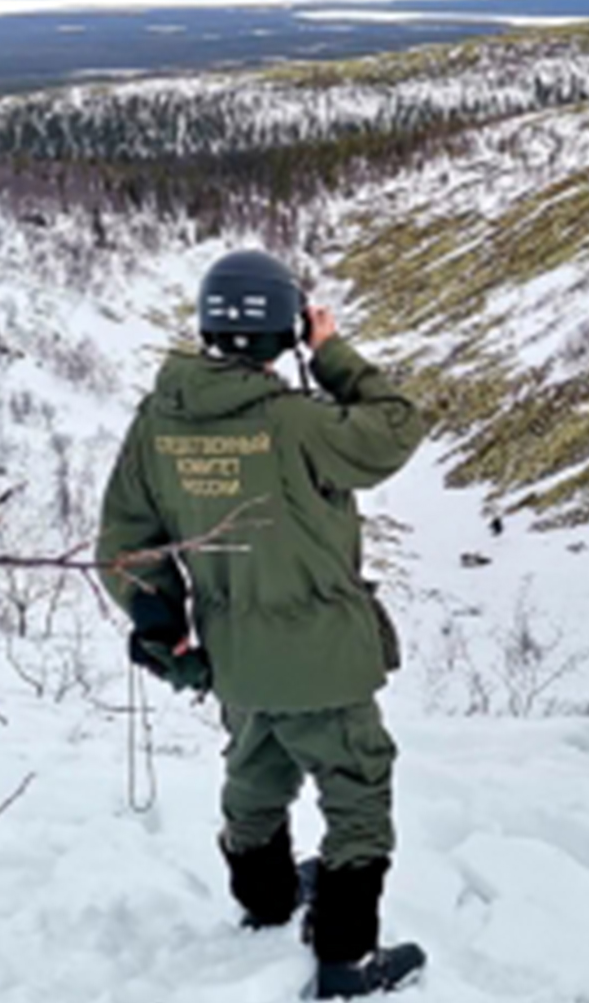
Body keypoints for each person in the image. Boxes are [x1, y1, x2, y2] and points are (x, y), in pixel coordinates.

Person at [95, 249, 427, 999]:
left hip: (234, 655)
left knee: (254, 776)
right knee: (357, 799)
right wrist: (332, 351)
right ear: (285, 328)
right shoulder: (298, 422)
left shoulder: (159, 420)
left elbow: (124, 543)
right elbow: (397, 426)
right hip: (324, 659)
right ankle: (346, 963)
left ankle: (268, 903)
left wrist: (160, 621)